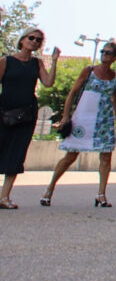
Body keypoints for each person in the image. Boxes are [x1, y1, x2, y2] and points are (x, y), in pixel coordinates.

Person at [43, 40, 116, 208]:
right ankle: (49, 189)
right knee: (71, 155)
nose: (103, 55)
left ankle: (101, 194)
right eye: (102, 51)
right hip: (83, 117)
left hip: (104, 119)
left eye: (108, 52)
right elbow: (72, 93)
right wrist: (66, 116)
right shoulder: (89, 71)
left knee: (106, 156)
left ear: (115, 57)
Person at [2, 28, 59, 209]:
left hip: (26, 114)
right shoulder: (7, 61)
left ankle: (4, 197)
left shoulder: (37, 63)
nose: (34, 41)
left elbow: (48, 83)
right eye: (31, 38)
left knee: (17, 154)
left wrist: (55, 61)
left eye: (38, 40)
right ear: (22, 40)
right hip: (4, 112)